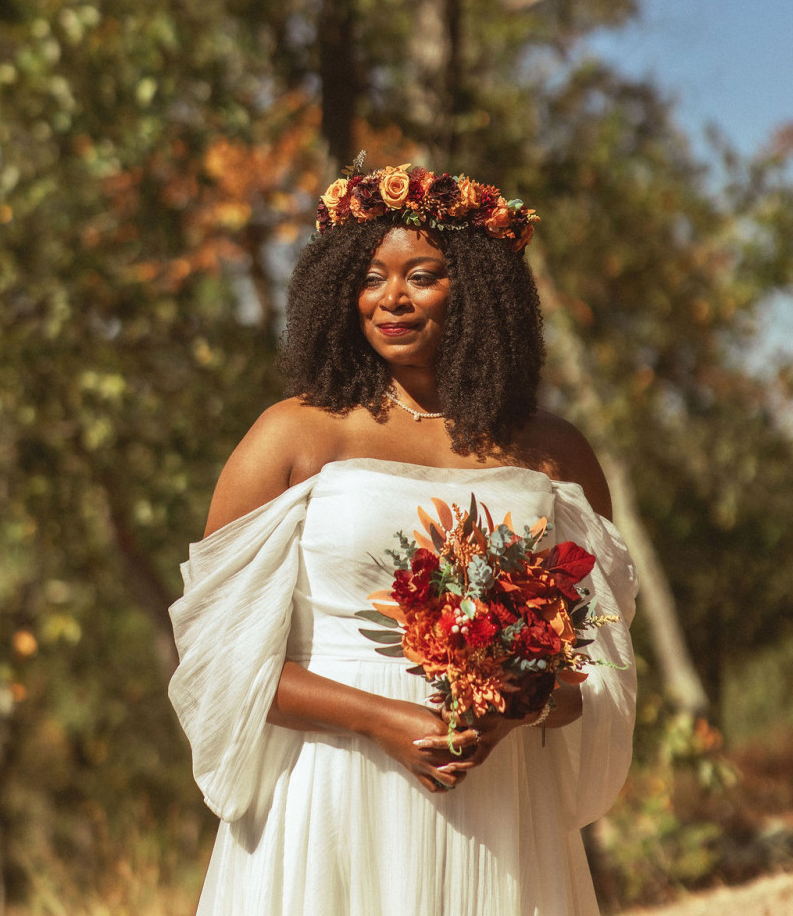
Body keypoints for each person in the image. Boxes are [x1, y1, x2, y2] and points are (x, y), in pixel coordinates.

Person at [169, 162, 638, 916]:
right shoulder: (294, 434)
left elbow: (590, 664)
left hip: (499, 798)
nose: (391, 298)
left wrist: (513, 708)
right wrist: (384, 719)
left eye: (422, 275)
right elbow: (220, 659)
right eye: (369, 277)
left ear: (479, 290)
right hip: (330, 791)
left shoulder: (553, 453)